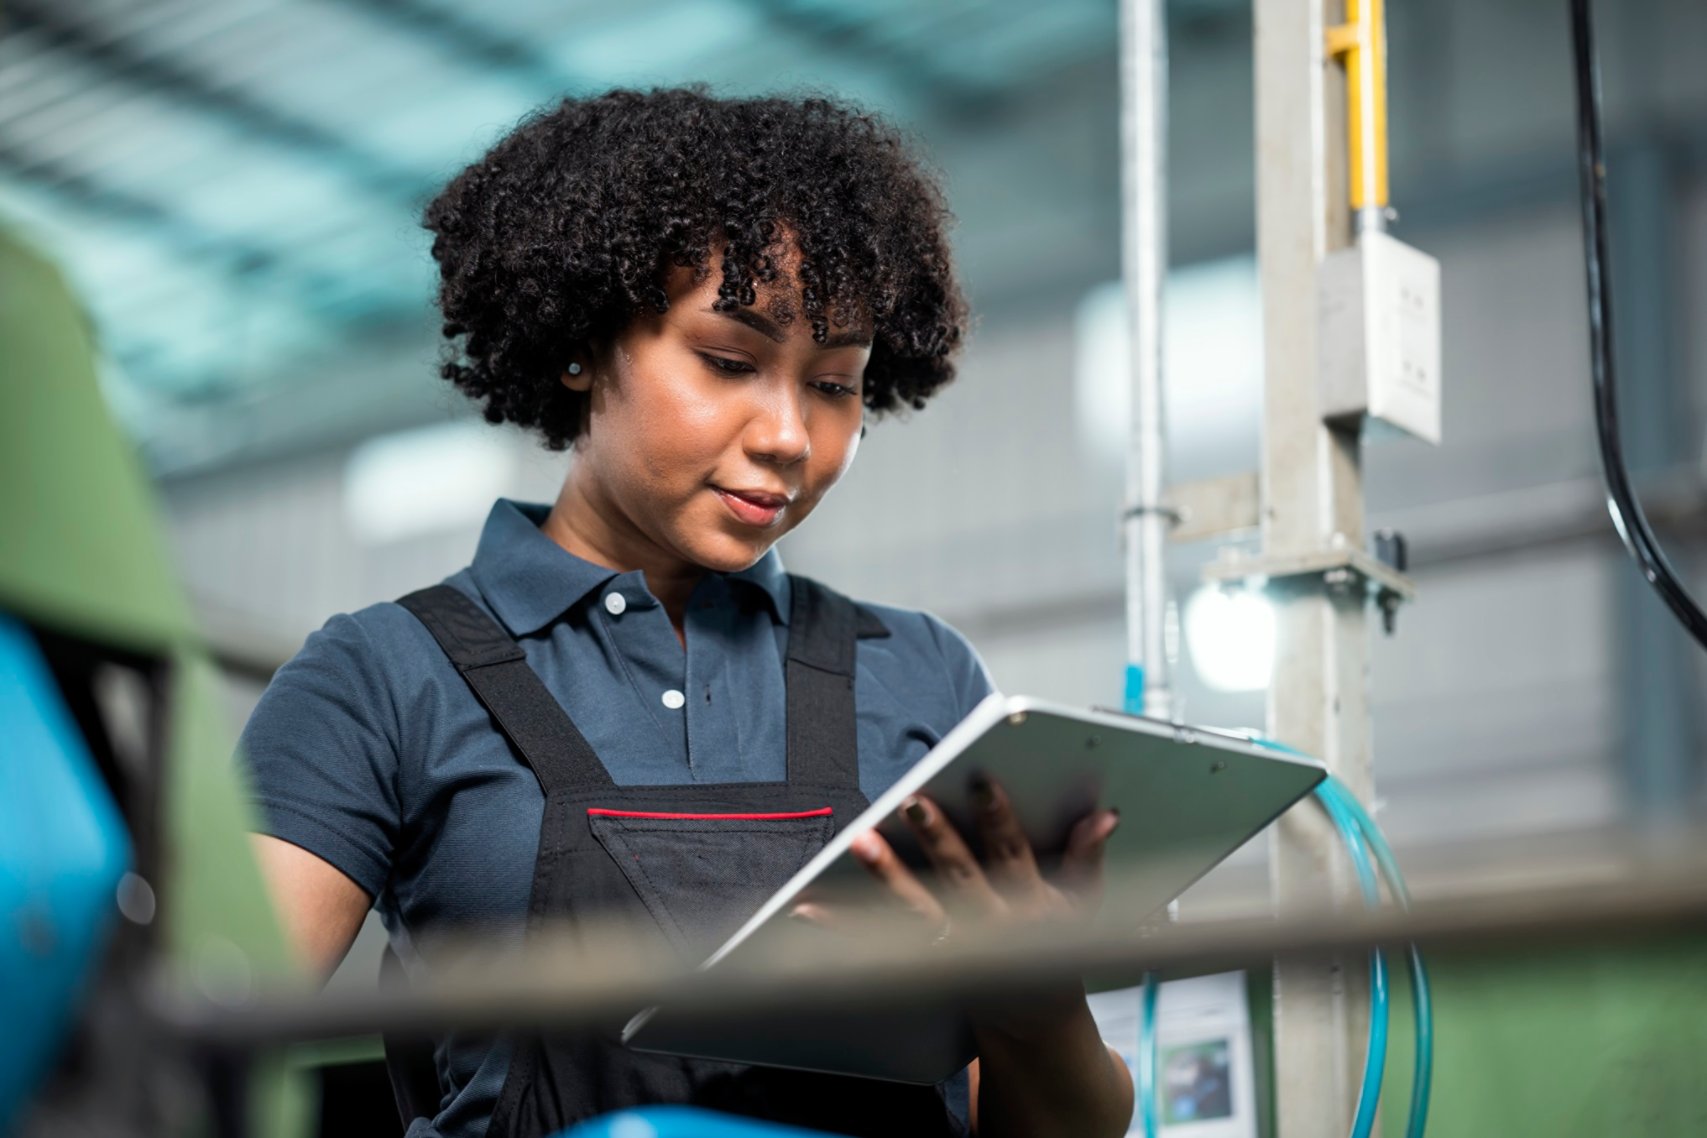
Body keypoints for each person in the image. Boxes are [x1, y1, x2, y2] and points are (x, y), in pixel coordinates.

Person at [241, 87, 1132, 1138]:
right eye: (729, 362)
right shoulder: (382, 679)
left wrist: (1035, 1011)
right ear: (580, 345)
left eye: (837, 384)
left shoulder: (920, 672)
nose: (791, 435)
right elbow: (181, 1042)